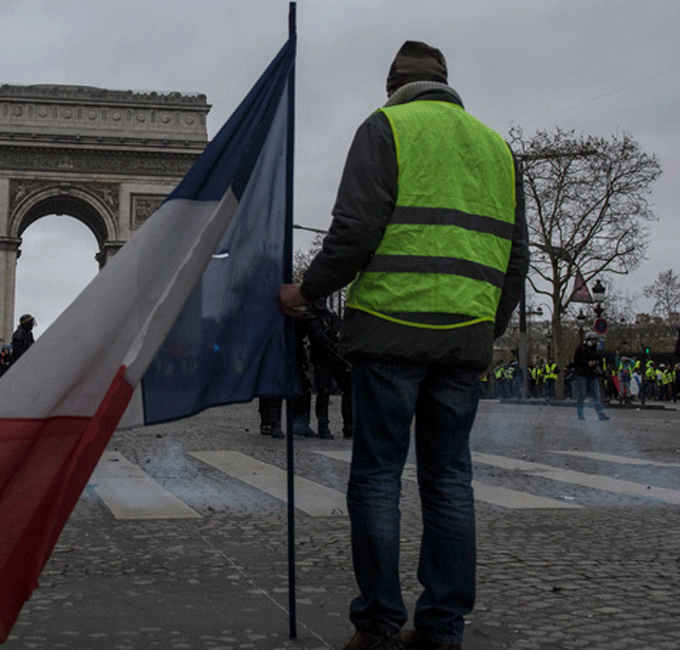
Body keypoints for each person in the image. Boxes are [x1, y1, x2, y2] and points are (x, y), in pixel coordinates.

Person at [278, 41, 529, 650]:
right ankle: (443, 626)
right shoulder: (498, 148)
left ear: (393, 85)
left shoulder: (385, 127)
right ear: (448, 83)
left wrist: (306, 290)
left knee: (377, 478)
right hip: (463, 339)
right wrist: (484, 329)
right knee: (449, 481)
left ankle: (379, 621)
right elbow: (516, 259)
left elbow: (355, 231)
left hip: (390, 329)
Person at [306, 299, 354, 438]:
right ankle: (323, 426)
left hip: (336, 356)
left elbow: (339, 325)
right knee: (324, 390)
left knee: (349, 389)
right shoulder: (311, 314)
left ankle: (349, 425)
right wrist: (331, 342)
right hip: (322, 355)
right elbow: (316, 333)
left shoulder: (329, 313)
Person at [570, 332, 610, 422]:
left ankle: (600, 414)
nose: (595, 342)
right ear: (588, 340)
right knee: (582, 395)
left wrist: (597, 366)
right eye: (593, 340)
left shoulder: (596, 350)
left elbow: (599, 360)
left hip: (592, 375)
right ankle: (580, 414)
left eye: (596, 340)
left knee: (596, 395)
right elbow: (577, 361)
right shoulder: (581, 349)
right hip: (582, 375)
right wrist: (587, 363)